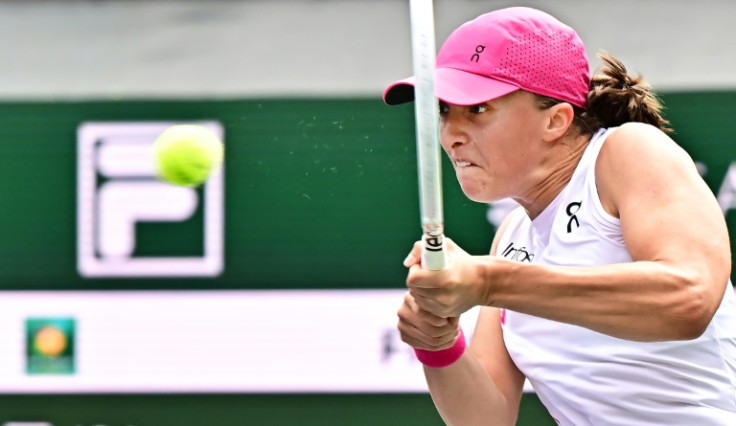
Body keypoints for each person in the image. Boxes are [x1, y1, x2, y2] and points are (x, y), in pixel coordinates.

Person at [383, 6, 736, 426]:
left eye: (477, 109)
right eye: (443, 110)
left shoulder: (627, 151)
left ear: (555, 120)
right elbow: (486, 418)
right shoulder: (512, 237)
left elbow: (688, 298)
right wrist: (438, 343)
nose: (451, 134)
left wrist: (489, 281)